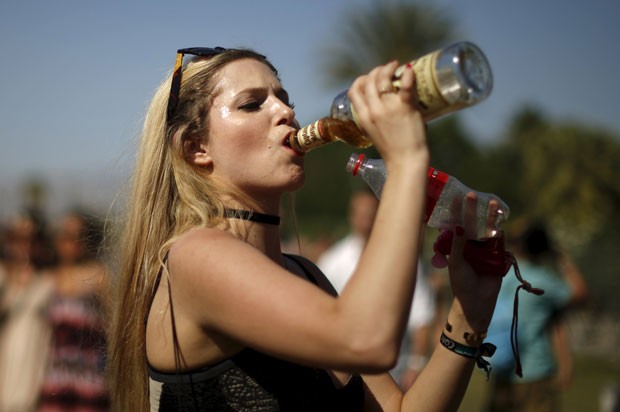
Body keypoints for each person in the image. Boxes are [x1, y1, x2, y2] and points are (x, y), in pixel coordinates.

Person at [107, 46, 504, 412]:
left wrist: (468, 315)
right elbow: (366, 341)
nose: (285, 112)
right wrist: (405, 160)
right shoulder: (195, 255)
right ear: (197, 148)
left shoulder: (306, 275)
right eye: (252, 104)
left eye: (284, 98)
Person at [317, 189, 436, 389]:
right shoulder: (333, 260)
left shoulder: (404, 259)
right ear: (351, 215)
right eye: (359, 212)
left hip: (394, 372)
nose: (364, 219)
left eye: (369, 212)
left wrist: (416, 364)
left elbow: (421, 316)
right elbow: (320, 314)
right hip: (342, 371)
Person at [484, 222, 589, 412]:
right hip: (534, 371)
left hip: (502, 368)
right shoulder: (542, 281)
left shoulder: (502, 276)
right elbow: (580, 293)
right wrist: (562, 259)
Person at [38, 211, 110, 411]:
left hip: (90, 376)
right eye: (64, 235)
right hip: (54, 376)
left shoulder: (99, 277)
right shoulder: (47, 279)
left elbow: (113, 326)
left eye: (78, 235)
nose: (70, 242)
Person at [0, 210, 55, 412]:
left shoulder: (50, 281)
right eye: (17, 238)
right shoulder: (4, 278)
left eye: (31, 239)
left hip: (32, 376)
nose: (24, 246)